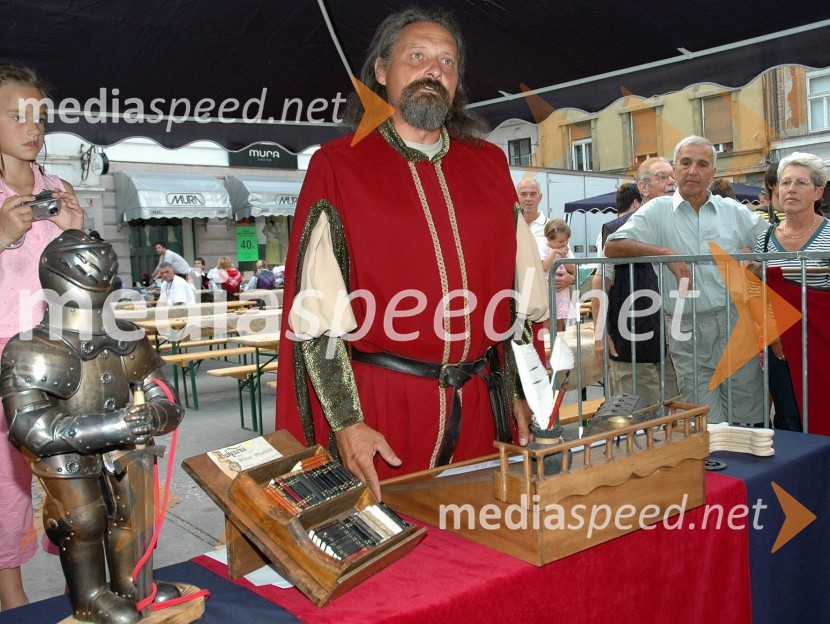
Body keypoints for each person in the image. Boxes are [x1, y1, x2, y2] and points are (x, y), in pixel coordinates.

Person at [275, 7, 548, 498]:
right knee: (391, 541)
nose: (433, 71)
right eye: (417, 57)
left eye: (447, 62)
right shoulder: (339, 165)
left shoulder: (489, 165)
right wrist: (347, 424)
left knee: (483, 536)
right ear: (382, 71)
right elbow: (317, 315)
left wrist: (518, 392)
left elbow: (519, 301)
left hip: (482, 411)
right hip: (384, 414)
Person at [0, 230, 185, 623]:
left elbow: (165, 396)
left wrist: (155, 415)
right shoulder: (29, 347)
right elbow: (29, 427)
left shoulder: (126, 335)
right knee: (82, 520)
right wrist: (114, 424)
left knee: (137, 508)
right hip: (64, 450)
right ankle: (90, 597)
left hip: (126, 443)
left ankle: (135, 584)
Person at [605, 136, 768, 424]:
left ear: (713, 173)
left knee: (748, 419)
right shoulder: (657, 210)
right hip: (686, 327)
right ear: (675, 168)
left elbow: (771, 242)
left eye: (702, 164)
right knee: (706, 422)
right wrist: (664, 253)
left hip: (735, 322)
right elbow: (613, 246)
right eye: (686, 163)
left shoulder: (733, 211)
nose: (693, 170)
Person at [0, 61, 85, 610]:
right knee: (6, 487)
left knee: (71, 475)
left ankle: (84, 583)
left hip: (59, 351)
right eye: (17, 115)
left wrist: (76, 235)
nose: (34, 127)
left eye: (40, 115)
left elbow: (85, 282)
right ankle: (12, 601)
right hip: (3, 361)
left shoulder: (58, 189)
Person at [752, 152, 829, 431]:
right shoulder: (764, 239)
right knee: (788, 418)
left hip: (824, 343)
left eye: (800, 182)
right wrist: (774, 336)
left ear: (818, 192)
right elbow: (757, 293)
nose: (791, 189)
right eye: (785, 183)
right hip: (780, 346)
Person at [591, 182, 680, 406]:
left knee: (678, 418)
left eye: (672, 176)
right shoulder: (617, 230)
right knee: (637, 417)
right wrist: (600, 333)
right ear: (644, 188)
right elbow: (601, 280)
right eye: (662, 177)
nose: (671, 182)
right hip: (632, 345)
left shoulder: (682, 226)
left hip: (676, 347)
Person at [541, 218, 575, 331]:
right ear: (549, 239)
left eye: (567, 240)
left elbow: (572, 269)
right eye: (561, 241)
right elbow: (545, 266)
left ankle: (558, 338)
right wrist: (553, 252)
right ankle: (547, 341)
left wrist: (565, 257)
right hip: (547, 291)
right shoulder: (544, 249)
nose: (564, 243)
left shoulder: (566, 250)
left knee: (559, 320)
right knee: (547, 322)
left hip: (561, 292)